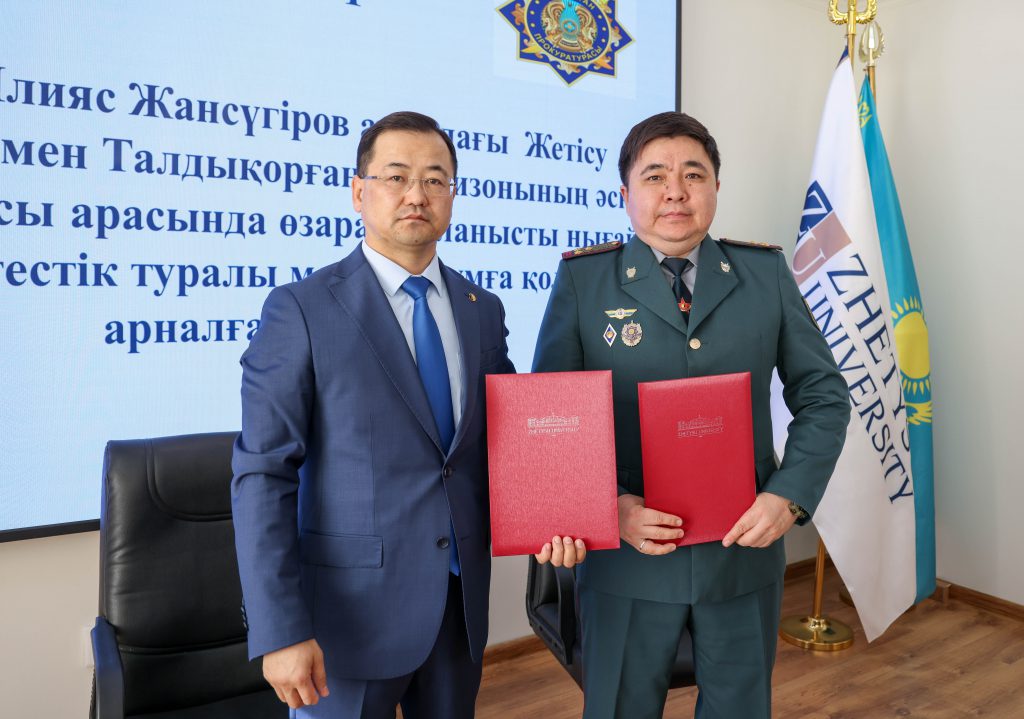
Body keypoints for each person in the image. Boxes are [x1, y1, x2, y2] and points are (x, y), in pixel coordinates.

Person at [231, 110, 585, 718]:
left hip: (458, 608)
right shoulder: (302, 309)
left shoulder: (482, 309)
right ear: (358, 191)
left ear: (452, 195)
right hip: (346, 620)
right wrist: (280, 628)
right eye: (396, 177)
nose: (416, 195)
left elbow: (506, 442)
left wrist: (558, 514)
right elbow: (263, 473)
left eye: (435, 179)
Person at [532, 111, 850, 719]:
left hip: (743, 551)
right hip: (628, 559)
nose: (675, 191)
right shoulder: (583, 282)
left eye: (693, 175)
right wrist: (607, 508)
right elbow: (552, 423)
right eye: (654, 176)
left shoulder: (763, 274)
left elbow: (824, 395)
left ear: (716, 188)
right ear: (625, 194)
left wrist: (788, 496)